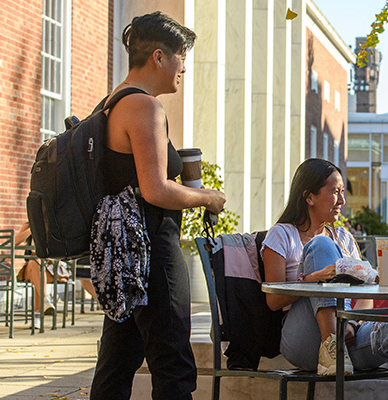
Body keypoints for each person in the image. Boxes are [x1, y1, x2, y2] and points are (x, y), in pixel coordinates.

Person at [90, 12, 227, 400]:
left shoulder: (111, 102)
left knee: (117, 363)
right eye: (181, 55)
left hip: (124, 254)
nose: (184, 67)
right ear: (159, 57)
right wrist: (209, 197)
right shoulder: (145, 107)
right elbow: (155, 190)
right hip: (151, 250)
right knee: (173, 365)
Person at [261, 159, 388, 400]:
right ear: (309, 196)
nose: (342, 201)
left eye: (343, 192)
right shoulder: (282, 234)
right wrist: (313, 279)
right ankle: (331, 345)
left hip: (349, 336)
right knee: (321, 244)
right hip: (304, 340)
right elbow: (273, 301)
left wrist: (353, 324)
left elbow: (365, 292)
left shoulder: (345, 238)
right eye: (335, 192)